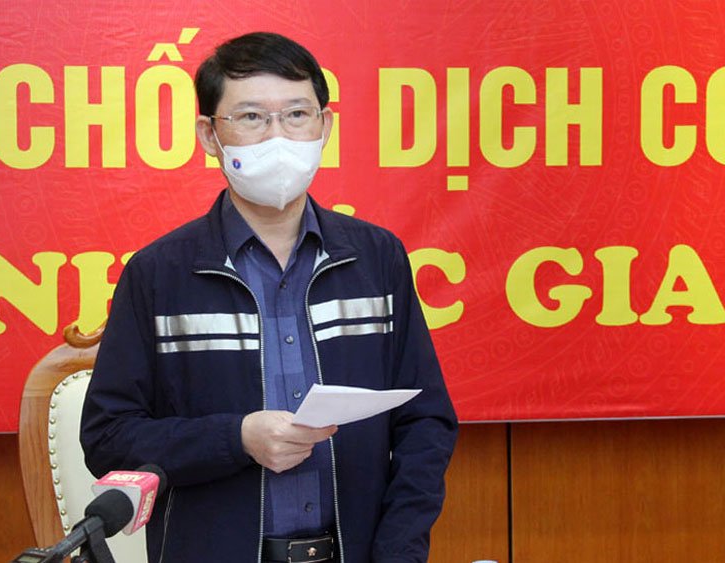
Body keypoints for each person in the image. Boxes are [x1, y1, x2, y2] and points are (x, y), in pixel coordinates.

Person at [80, 31, 458, 563]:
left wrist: (399, 551)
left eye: (297, 115)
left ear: (325, 126)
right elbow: (108, 438)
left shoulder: (377, 259)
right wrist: (235, 439)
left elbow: (426, 422)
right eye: (252, 117)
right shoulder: (158, 274)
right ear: (210, 135)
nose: (278, 137)